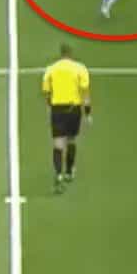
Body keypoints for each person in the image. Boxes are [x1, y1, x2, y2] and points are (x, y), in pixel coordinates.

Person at [40, 43, 91, 191]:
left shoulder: (51, 69)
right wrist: (87, 112)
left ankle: (58, 175)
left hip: (58, 109)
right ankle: (69, 171)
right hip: (74, 109)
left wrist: (50, 106)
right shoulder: (80, 68)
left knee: (58, 143)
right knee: (71, 140)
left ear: (61, 54)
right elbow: (85, 92)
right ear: (71, 54)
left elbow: (46, 91)